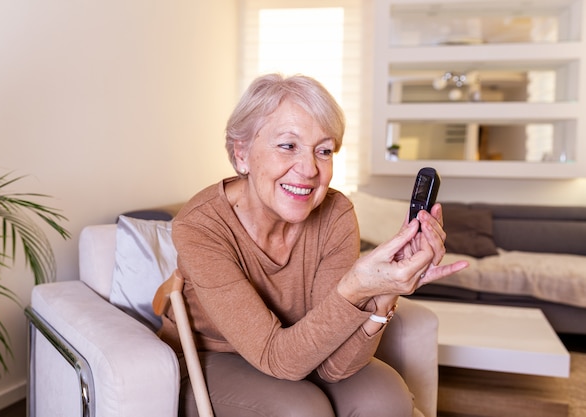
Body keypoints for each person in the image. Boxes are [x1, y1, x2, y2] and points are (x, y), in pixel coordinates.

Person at [157, 73, 468, 417]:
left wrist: (383, 293)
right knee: (302, 410)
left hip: (304, 348)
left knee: (386, 396)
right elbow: (279, 359)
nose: (308, 169)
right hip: (210, 359)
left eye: (323, 151)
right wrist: (353, 289)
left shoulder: (335, 213)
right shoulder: (200, 227)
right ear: (241, 153)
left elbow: (336, 368)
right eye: (288, 145)